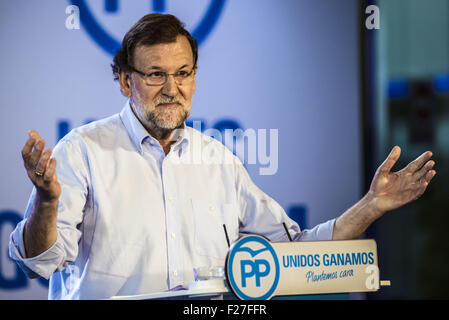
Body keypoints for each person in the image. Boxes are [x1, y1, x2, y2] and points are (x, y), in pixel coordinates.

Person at [9, 14, 436, 300]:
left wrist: (371, 205)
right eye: (155, 74)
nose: (172, 88)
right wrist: (46, 201)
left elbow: (296, 255)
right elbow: (42, 262)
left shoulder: (218, 160)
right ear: (124, 81)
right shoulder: (82, 152)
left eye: (183, 73)